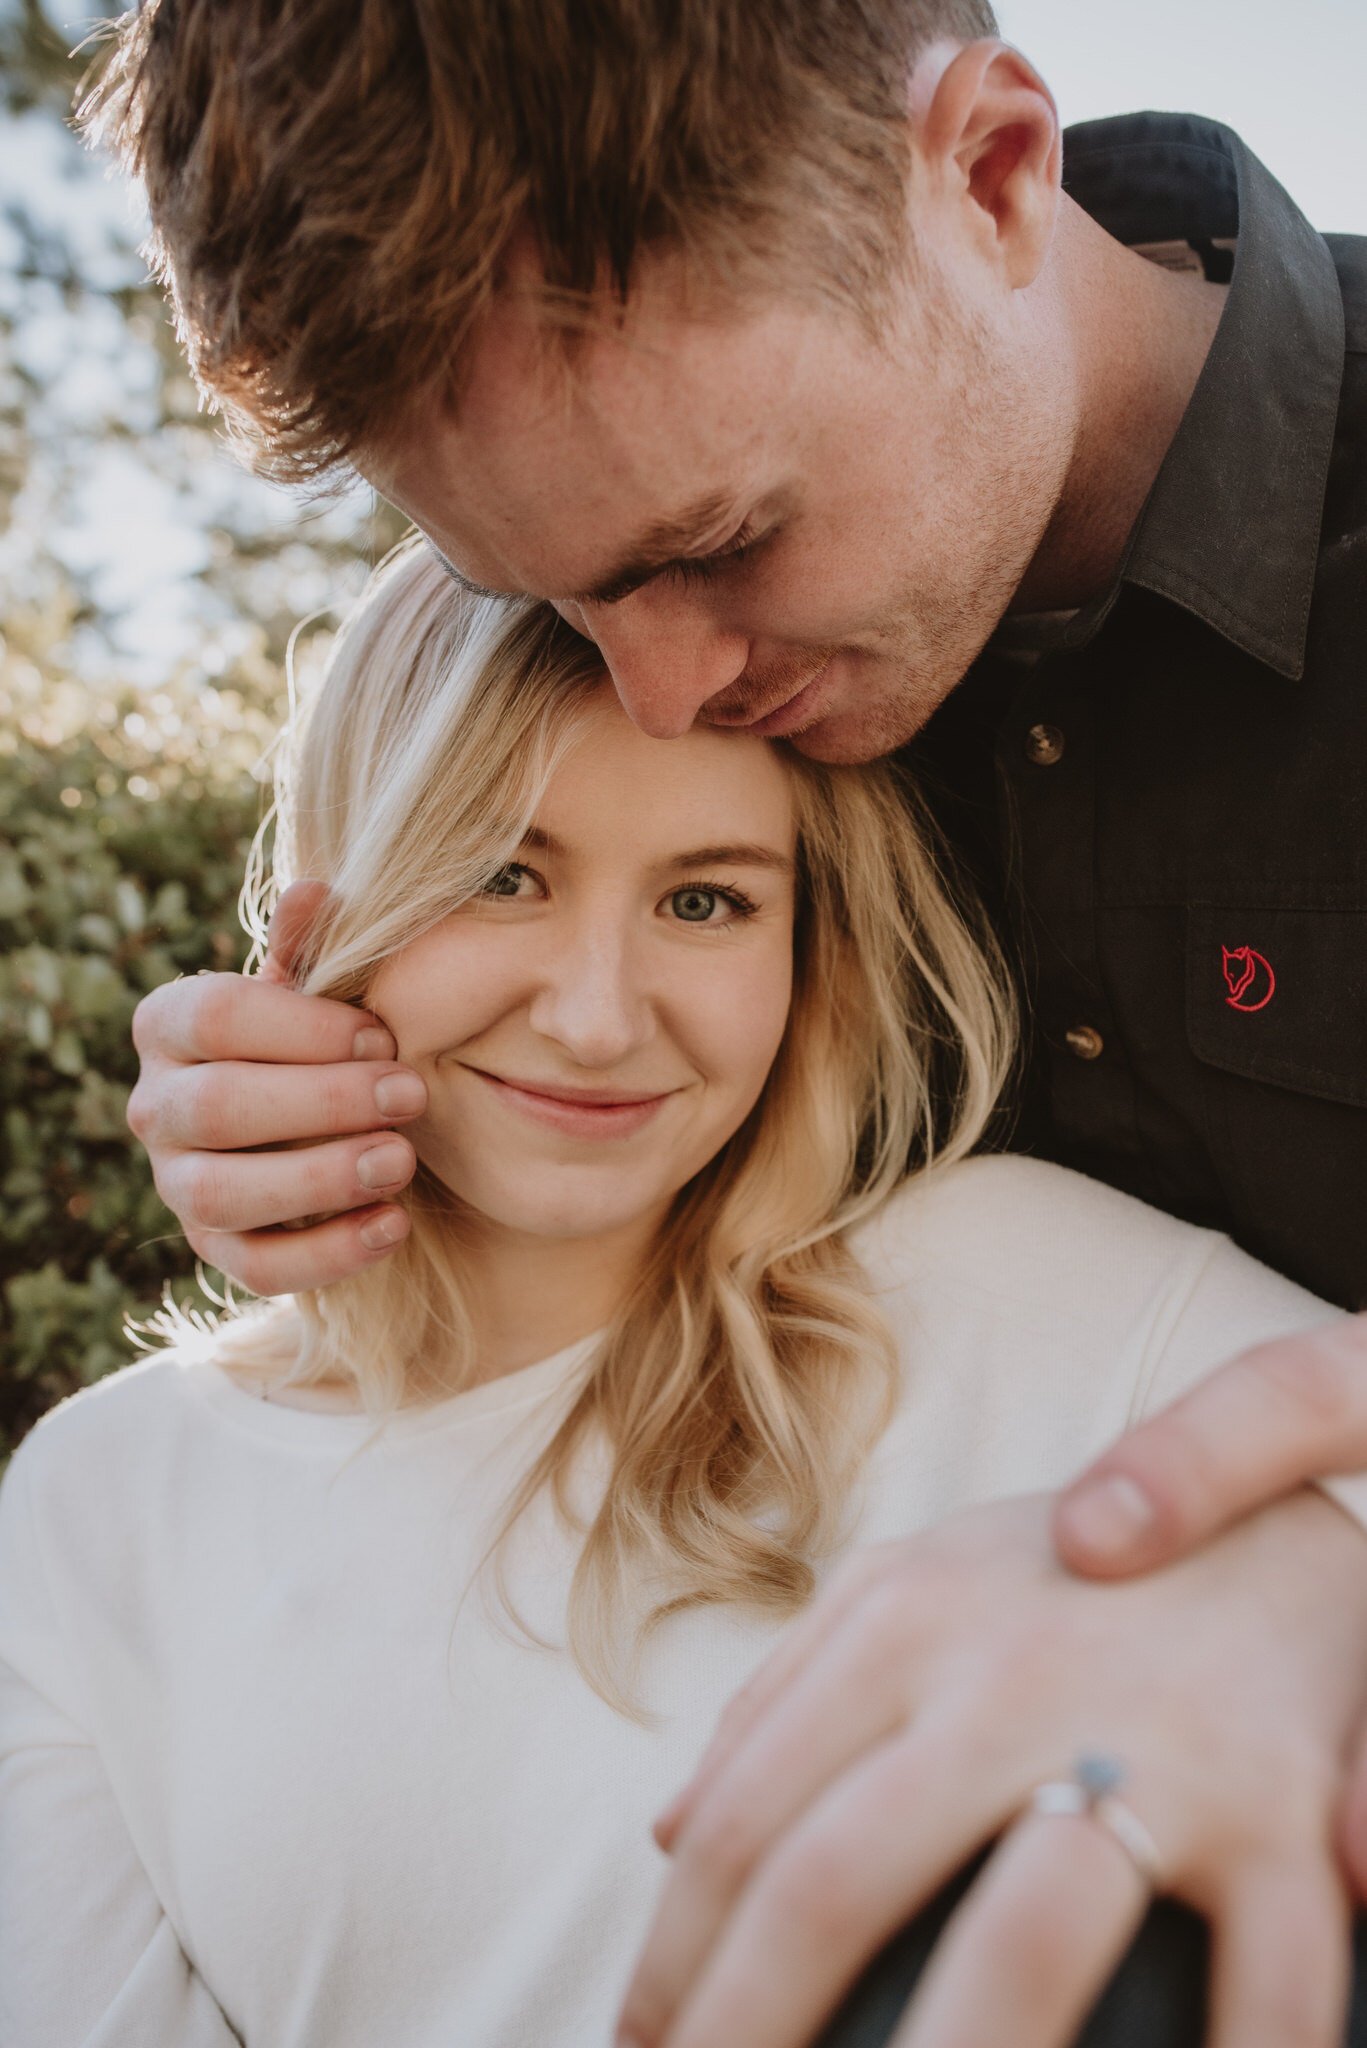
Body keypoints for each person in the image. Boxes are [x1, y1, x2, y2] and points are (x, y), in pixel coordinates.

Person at [76, 1, 1367, 2039]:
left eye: (713, 550)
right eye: (561, 605)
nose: (662, 694)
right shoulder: (731, 644)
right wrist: (309, 1120)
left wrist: (1326, 1581)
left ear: (995, 177)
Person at [2, 545, 1365, 2048]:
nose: (595, 1018)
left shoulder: (1030, 1282)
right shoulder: (96, 1510)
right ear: (321, 921)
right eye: (503, 877)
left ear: (807, 953)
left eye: (706, 902)